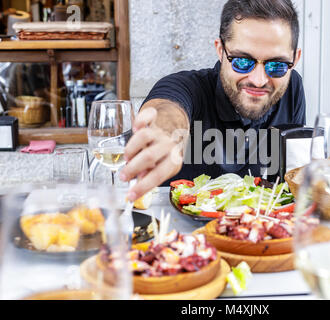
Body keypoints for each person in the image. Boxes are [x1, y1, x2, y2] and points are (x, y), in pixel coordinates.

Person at [121, 0, 306, 202]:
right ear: (220, 51)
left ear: (294, 60)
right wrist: (166, 131)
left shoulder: (292, 87)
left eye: (276, 65)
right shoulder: (188, 87)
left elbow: (295, 176)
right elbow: (167, 108)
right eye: (242, 62)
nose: (258, 80)